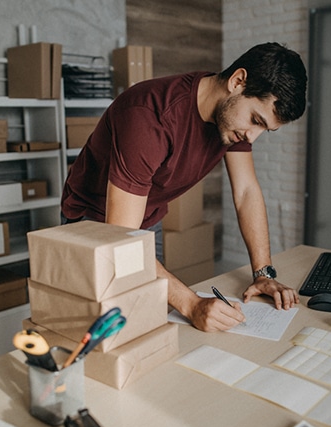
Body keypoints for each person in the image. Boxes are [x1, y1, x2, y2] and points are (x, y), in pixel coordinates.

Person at [61, 42, 307, 332]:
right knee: (97, 331)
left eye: (265, 129)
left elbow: (246, 193)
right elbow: (120, 239)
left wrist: (263, 273)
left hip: (146, 219)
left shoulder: (229, 116)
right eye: (255, 121)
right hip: (92, 223)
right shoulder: (150, 116)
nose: (251, 138)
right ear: (238, 82)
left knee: (146, 319)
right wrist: (191, 304)